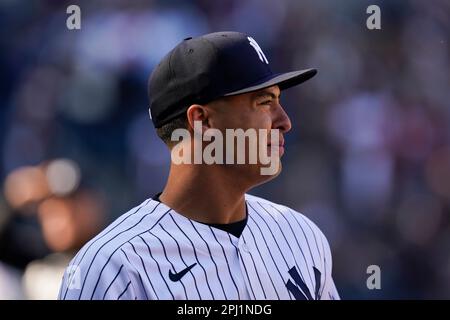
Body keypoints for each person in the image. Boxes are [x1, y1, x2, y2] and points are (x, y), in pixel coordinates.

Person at [58, 31, 340, 300]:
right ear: (202, 121)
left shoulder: (301, 235)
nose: (285, 121)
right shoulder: (114, 266)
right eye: (265, 102)